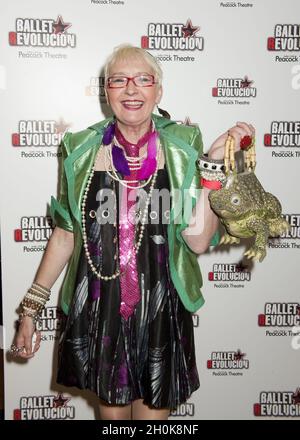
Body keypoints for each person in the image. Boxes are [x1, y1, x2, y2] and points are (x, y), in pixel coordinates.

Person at [10, 44, 255, 420]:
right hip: (100, 306)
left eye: (143, 80)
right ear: (106, 92)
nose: (131, 89)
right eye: (119, 80)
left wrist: (210, 171)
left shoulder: (183, 146)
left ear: (159, 91)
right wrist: (30, 308)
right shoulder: (78, 150)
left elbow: (198, 240)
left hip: (161, 306)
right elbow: (64, 235)